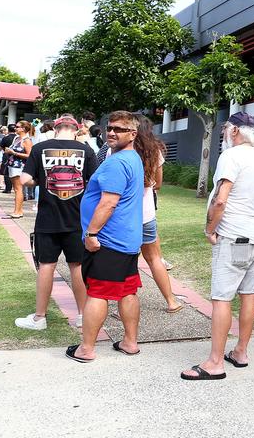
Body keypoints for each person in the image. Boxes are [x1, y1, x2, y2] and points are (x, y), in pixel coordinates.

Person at [181, 112, 254, 381]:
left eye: (225, 129)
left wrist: (210, 229)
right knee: (248, 293)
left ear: (234, 131)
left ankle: (214, 362)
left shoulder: (231, 157)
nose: (223, 134)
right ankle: (241, 352)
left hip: (234, 238)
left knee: (222, 298)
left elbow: (220, 200)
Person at [66, 111, 145, 363]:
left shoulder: (118, 162)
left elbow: (108, 203)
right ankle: (129, 343)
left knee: (97, 293)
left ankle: (86, 349)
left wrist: (91, 233)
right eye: (109, 128)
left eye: (119, 129)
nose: (111, 132)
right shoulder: (131, 158)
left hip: (108, 241)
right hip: (128, 240)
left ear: (132, 134)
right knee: (127, 291)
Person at [15, 114, 98, 331]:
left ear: (56, 128)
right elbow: (95, 182)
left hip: (48, 218)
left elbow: (24, 180)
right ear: (76, 129)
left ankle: (39, 317)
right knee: (77, 267)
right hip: (77, 218)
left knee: (46, 266)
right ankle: (82, 315)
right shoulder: (86, 150)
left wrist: (40, 179)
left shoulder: (40, 148)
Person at [134, 114, 183, 313]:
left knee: (127, 262)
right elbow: (159, 183)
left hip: (125, 217)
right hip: (147, 215)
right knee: (155, 259)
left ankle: (127, 308)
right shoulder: (155, 151)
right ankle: (172, 301)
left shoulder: (119, 152)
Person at [2, 121, 34, 219]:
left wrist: (14, 153)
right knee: (16, 189)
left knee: (18, 189)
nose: (15, 128)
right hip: (12, 166)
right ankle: (18, 211)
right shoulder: (16, 138)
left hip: (19, 167)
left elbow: (30, 155)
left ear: (24, 129)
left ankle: (17, 211)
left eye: (18, 127)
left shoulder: (27, 140)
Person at [0, 125, 15, 190]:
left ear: (8, 130)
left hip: (6, 155)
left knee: (5, 171)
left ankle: (5, 186)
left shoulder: (5, 138)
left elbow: (2, 147)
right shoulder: (18, 138)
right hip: (16, 156)